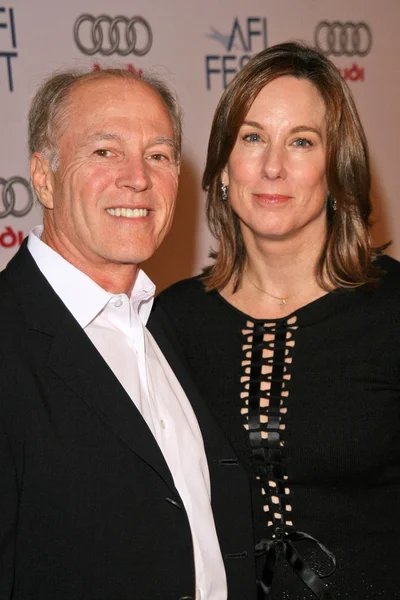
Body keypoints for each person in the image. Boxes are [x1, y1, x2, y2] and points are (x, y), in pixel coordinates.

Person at [152, 42, 400, 599]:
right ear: (222, 168)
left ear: (338, 171)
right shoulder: (171, 321)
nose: (272, 166)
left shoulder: (391, 311)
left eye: (302, 142)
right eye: (253, 137)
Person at [0, 68, 257, 599]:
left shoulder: (169, 324)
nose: (138, 178)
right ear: (42, 177)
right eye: (105, 151)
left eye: (159, 155)